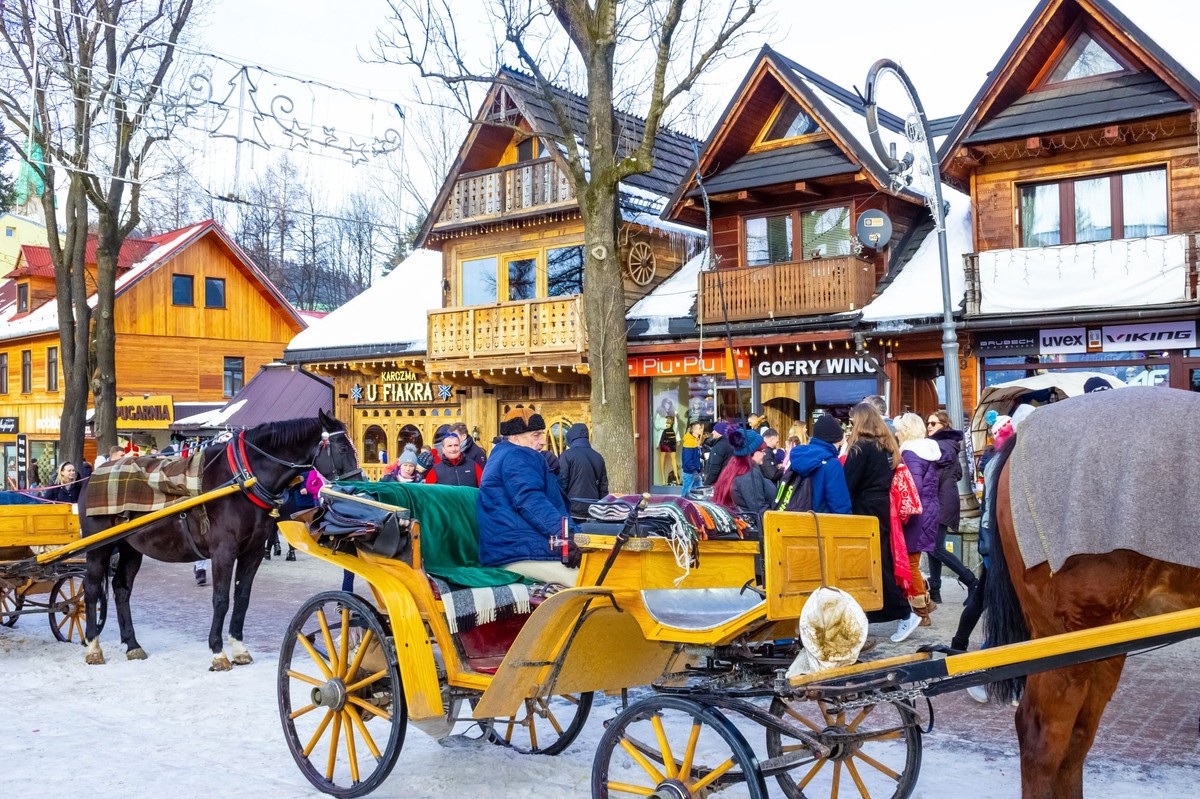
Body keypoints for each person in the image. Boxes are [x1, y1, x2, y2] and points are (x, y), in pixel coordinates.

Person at [477, 407, 578, 586]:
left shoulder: (504, 454)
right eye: (536, 435)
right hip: (518, 551)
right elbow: (530, 500)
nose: (543, 441)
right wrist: (567, 536)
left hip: (512, 547)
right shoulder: (517, 455)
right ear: (515, 437)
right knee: (588, 579)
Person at [842, 402, 911, 624]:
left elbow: (847, 483)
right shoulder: (886, 444)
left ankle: (901, 611)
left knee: (874, 562)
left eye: (852, 420)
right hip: (881, 505)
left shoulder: (861, 447)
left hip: (864, 507)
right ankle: (883, 610)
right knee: (881, 559)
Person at [891, 412, 942, 642]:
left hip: (915, 514)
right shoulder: (927, 451)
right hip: (928, 510)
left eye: (899, 429)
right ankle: (926, 603)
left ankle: (921, 612)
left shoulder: (910, 453)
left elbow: (913, 487)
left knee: (910, 562)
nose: (896, 434)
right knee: (914, 561)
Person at [926, 409, 978, 604]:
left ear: (944, 426)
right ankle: (936, 590)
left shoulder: (941, 446)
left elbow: (934, 475)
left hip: (941, 501)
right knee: (932, 547)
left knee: (935, 547)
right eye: (928, 423)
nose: (929, 426)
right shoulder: (944, 444)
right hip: (943, 499)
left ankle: (972, 582)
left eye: (934, 423)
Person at [783, 414, 852, 513]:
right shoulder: (832, 465)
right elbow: (840, 506)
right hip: (822, 525)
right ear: (835, 440)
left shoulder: (798, 457)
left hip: (796, 522)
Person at [713, 430, 774, 528]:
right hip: (756, 533)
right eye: (762, 451)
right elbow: (759, 510)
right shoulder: (749, 476)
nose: (765, 454)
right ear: (753, 453)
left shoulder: (735, 467)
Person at [557, 423, 608, 521]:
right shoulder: (598, 457)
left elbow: (562, 484)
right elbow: (603, 488)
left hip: (572, 510)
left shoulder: (567, 455)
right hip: (593, 511)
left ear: (570, 438)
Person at [654, 397, 680, 485]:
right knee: (663, 457)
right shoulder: (659, 413)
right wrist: (665, 426)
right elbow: (656, 425)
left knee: (674, 457)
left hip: (672, 436)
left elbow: (676, 427)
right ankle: (663, 479)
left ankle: (677, 478)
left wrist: (678, 439)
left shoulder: (673, 414)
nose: (667, 405)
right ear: (663, 404)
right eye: (666, 404)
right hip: (664, 436)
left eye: (669, 404)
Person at [704, 421, 734, 486]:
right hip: (728, 480)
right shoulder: (729, 443)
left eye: (714, 430)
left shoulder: (719, 446)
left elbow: (714, 469)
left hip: (719, 482)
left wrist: (707, 484)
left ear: (720, 432)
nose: (712, 432)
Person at [680, 420, 705, 498]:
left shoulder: (695, 440)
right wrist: (694, 471)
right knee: (686, 494)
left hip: (694, 471)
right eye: (699, 428)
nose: (701, 430)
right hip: (690, 472)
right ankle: (682, 507)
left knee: (697, 494)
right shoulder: (689, 441)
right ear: (693, 430)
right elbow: (688, 459)